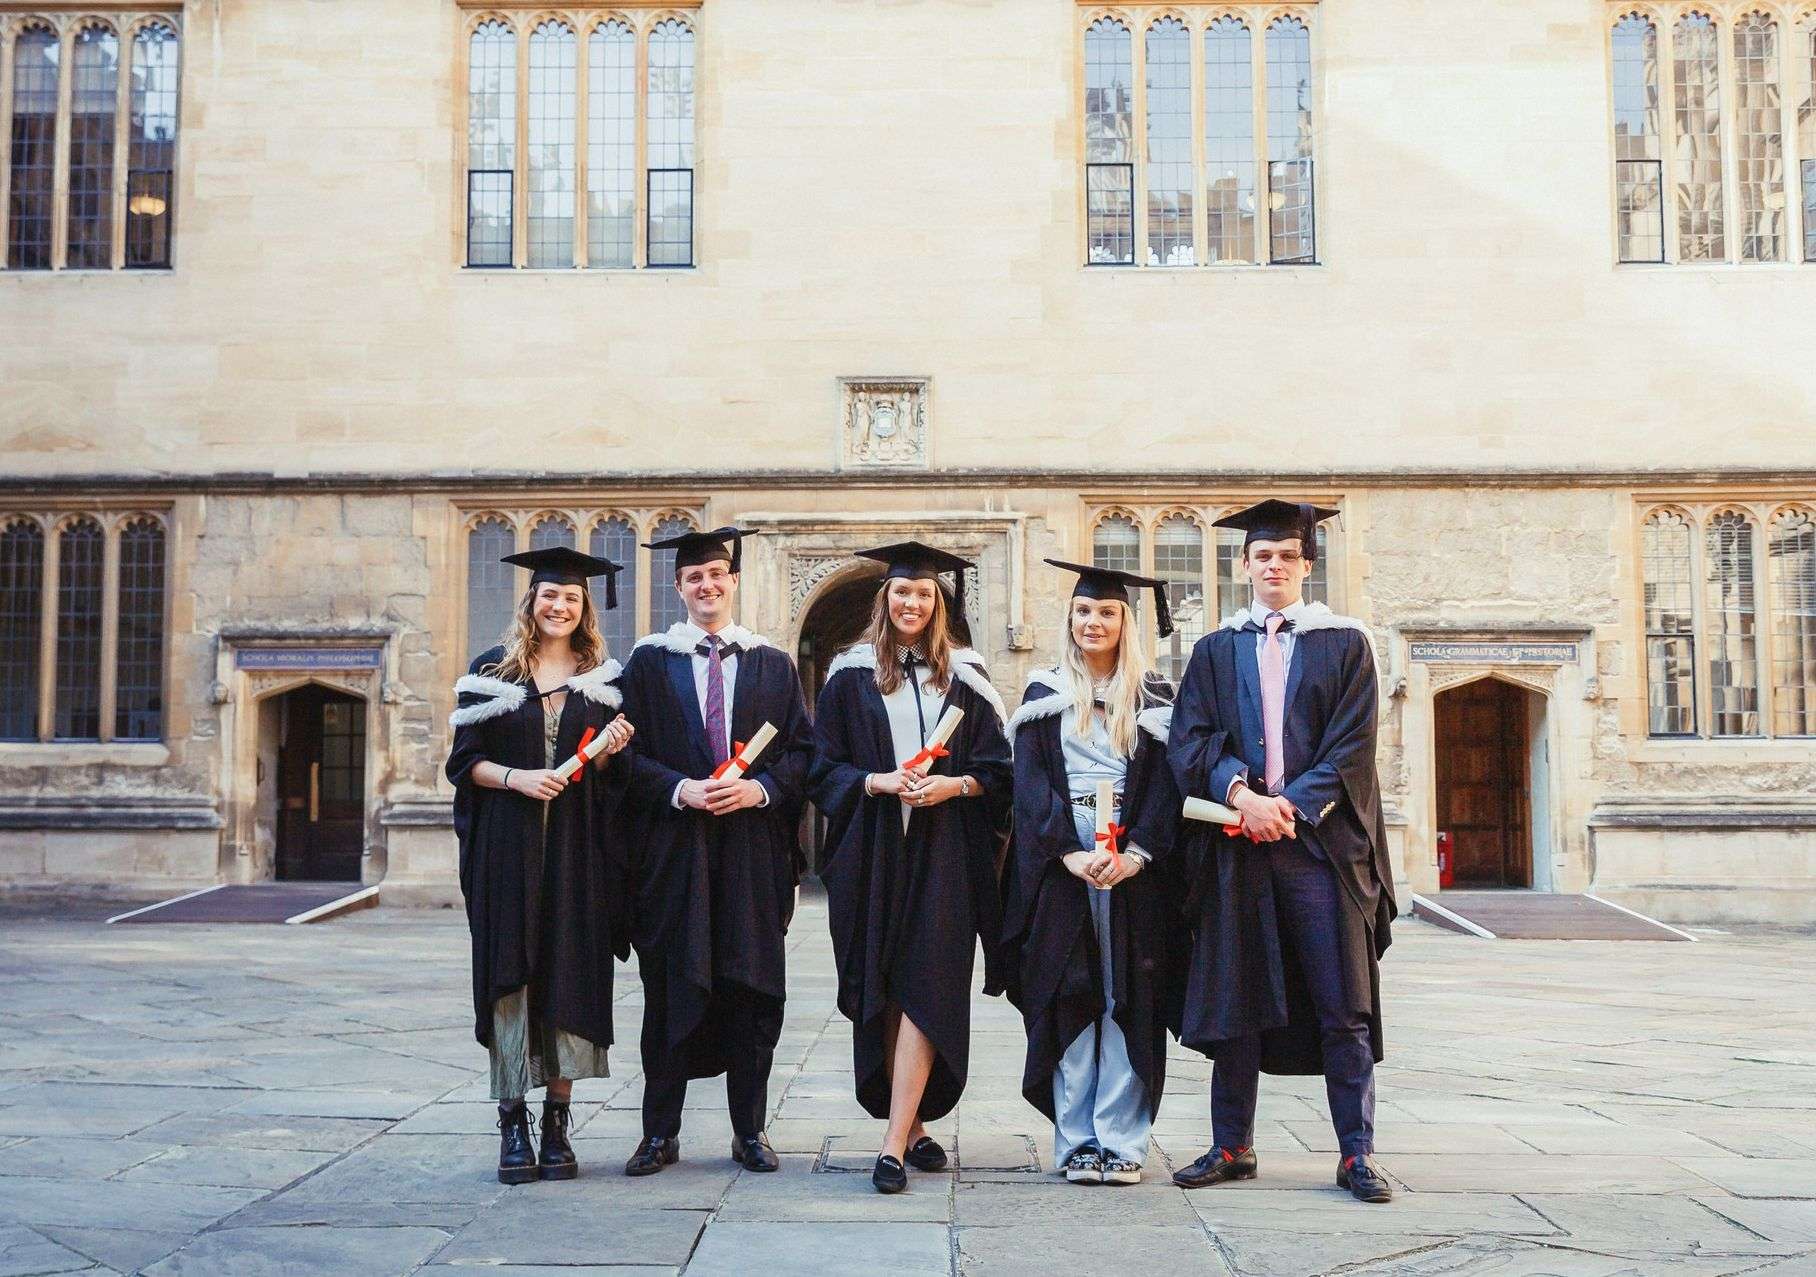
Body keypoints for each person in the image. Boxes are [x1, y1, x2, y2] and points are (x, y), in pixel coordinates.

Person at [1166, 500, 1397, 1204]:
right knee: (1237, 997)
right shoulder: (1214, 650)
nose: (1273, 565)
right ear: (1244, 565)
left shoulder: (1346, 644)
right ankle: (1232, 1143)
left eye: (1286, 556)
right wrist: (1243, 796)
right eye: (1261, 555)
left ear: (1305, 566)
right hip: (1239, 847)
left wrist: (1288, 806)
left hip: (1321, 851)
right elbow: (1191, 739)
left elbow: (1352, 748)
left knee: (1342, 1002)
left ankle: (1356, 1154)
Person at [809, 542, 1012, 1194]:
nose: (912, 603)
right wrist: (878, 780)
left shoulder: (968, 680)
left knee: (927, 984)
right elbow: (822, 768)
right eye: (902, 593)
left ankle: (894, 1144)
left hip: (946, 857)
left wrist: (953, 787)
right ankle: (916, 1123)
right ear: (886, 599)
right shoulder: (850, 677)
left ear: (938, 604)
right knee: (890, 988)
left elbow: (1001, 776)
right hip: (871, 854)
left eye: (923, 594)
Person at [614, 527, 814, 1177]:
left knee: (754, 992)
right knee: (669, 990)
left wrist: (759, 788)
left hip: (753, 856)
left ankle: (749, 1130)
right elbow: (624, 759)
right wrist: (679, 788)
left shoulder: (772, 665)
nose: (707, 584)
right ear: (679, 587)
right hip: (674, 858)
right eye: (694, 576)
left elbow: (803, 756)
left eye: (717, 574)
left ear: (734, 582)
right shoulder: (649, 665)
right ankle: (659, 1132)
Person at [446, 545, 637, 1185]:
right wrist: (517, 778)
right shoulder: (491, 674)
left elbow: (616, 785)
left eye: (572, 598)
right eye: (550, 596)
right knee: (513, 981)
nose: (560, 605)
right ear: (532, 602)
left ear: (585, 610)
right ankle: (511, 1121)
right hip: (509, 852)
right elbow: (463, 764)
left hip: (577, 858)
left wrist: (609, 752)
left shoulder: (603, 681)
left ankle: (557, 1120)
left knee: (568, 977)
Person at [1002, 560, 1183, 1187]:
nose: (1092, 621)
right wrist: (1068, 853)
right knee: (1071, 993)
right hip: (1064, 867)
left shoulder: (1155, 696)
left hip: (1133, 869)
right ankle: (1077, 1137)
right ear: (1069, 619)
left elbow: (1166, 788)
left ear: (1125, 622)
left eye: (1106, 612)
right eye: (1083, 611)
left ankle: (1122, 1141)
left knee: (1126, 998)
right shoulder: (1042, 692)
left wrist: (1136, 856)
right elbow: (1030, 787)